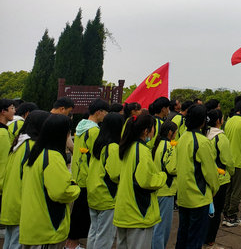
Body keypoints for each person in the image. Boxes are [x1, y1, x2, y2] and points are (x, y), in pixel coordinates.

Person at [19, 113, 81, 248]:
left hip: (33, 224)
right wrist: (76, 188)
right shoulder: (53, 156)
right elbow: (60, 192)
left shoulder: (36, 152)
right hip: (47, 228)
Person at [113, 113, 166, 248]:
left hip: (123, 210)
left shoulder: (126, 147)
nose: (154, 131)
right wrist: (162, 176)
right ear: (145, 131)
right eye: (153, 127)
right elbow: (147, 181)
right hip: (138, 212)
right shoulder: (142, 150)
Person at [0, 109, 50, 249]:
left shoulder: (19, 143)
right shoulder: (33, 147)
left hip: (11, 202)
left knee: (10, 241)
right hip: (22, 204)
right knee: (17, 243)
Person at [175, 104, 220, 249]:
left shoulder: (182, 137)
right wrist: (214, 189)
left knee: (183, 235)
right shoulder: (202, 142)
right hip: (198, 197)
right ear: (203, 121)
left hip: (183, 195)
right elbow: (210, 173)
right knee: (195, 238)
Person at [67, 98, 110, 249]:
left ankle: (71, 244)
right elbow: (97, 154)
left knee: (78, 212)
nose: (106, 115)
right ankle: (72, 245)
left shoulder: (81, 126)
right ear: (99, 112)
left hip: (78, 173)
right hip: (88, 176)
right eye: (105, 112)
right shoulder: (94, 131)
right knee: (82, 214)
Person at [86, 112, 124, 249]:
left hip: (94, 193)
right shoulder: (113, 147)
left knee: (94, 231)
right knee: (105, 236)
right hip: (107, 196)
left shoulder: (99, 144)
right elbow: (115, 174)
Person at [205, 108, 235, 247]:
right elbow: (227, 160)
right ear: (219, 121)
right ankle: (211, 241)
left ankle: (204, 239)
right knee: (216, 212)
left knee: (206, 211)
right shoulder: (220, 137)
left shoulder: (204, 134)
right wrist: (231, 172)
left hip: (206, 177)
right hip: (220, 178)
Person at [222, 98, 241, 227]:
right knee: (237, 191)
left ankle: (226, 214)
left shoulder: (229, 121)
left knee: (228, 189)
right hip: (239, 161)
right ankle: (232, 216)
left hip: (228, 160)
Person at [151, 121, 178, 249]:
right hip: (166, 189)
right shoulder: (169, 146)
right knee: (163, 227)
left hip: (157, 188)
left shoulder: (157, 144)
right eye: (175, 132)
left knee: (156, 225)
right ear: (170, 132)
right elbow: (172, 168)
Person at [0, 98, 16, 209]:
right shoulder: (3, 133)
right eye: (12, 108)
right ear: (3, 111)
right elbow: (4, 161)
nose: (14, 111)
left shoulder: (5, 131)